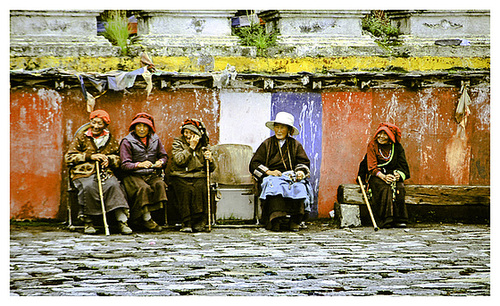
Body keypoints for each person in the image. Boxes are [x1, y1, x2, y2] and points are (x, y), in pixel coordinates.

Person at [65, 110, 132, 235]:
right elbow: (69, 157)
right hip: (83, 173)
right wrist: (91, 156)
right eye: (93, 122)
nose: (96, 126)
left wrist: (109, 160)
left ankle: (122, 221)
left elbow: (118, 158)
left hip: (103, 172)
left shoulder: (110, 139)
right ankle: (88, 221)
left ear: (105, 125)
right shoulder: (81, 137)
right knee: (89, 186)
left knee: (114, 185)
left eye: (99, 124)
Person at [249, 112, 312, 232]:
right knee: (275, 186)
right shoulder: (267, 144)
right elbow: (254, 163)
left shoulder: (295, 145)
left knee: (299, 187)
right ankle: (275, 220)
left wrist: (300, 172)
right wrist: (269, 172)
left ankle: (295, 220)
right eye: (277, 127)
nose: (278, 130)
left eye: (282, 127)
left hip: (290, 175)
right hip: (272, 176)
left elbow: (303, 162)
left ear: (289, 130)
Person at [119, 112, 167, 232]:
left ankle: (145, 217)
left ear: (150, 128)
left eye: (145, 126)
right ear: (134, 127)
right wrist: (138, 165)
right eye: (139, 126)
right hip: (132, 175)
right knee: (143, 188)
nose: (142, 129)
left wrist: (161, 161)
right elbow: (124, 164)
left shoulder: (155, 140)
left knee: (159, 185)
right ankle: (145, 219)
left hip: (150, 173)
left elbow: (164, 156)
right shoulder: (127, 141)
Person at [359, 122, 410, 228]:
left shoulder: (397, 147)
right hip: (376, 175)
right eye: (379, 133)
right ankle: (386, 219)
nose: (381, 137)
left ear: (390, 137)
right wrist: (383, 176)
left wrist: (398, 175)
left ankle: (400, 219)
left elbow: (403, 167)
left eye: (385, 134)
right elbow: (371, 167)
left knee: (399, 186)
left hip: (391, 174)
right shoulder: (372, 145)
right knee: (384, 187)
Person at [169, 119, 215, 233]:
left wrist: (210, 160)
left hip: (199, 176)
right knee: (185, 189)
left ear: (198, 134)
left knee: (201, 187)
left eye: (191, 133)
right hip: (181, 176)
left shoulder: (204, 145)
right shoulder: (178, 143)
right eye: (186, 132)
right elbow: (179, 160)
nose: (188, 135)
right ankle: (186, 222)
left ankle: (199, 221)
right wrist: (191, 148)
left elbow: (211, 169)